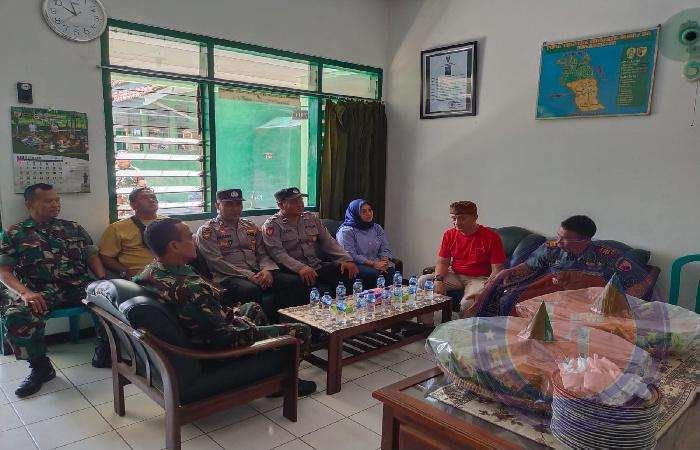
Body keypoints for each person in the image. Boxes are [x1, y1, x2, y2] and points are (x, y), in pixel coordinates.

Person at [133, 218, 316, 395]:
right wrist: (248, 326)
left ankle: (270, 373)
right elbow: (224, 336)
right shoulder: (190, 289)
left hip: (202, 330)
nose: (194, 239)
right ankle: (288, 382)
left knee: (252, 307)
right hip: (214, 349)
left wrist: (239, 319)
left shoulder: (152, 271)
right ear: (174, 246)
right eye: (189, 236)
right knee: (301, 331)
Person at [0, 184, 108, 397]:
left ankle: (105, 351)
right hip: (40, 291)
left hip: (78, 285)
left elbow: (91, 255)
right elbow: (3, 271)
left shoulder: (73, 227)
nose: (56, 204)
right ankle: (40, 368)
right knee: (16, 314)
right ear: (30, 204)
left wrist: (103, 280)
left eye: (57, 200)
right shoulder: (15, 233)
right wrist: (25, 293)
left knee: (112, 299)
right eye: (48, 201)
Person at [473, 215, 657, 317]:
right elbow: (528, 267)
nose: (558, 241)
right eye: (558, 235)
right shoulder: (551, 247)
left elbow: (642, 280)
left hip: (583, 302)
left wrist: (619, 304)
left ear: (585, 240)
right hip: (549, 293)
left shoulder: (608, 256)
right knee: (509, 299)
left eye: (565, 239)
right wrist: (508, 272)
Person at [195, 189, 306, 320]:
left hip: (257, 272)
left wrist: (267, 270)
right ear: (217, 206)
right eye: (229, 204)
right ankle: (258, 326)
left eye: (238, 204)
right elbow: (216, 262)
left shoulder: (250, 226)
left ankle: (285, 322)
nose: (235, 209)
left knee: (293, 282)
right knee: (250, 290)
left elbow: (262, 252)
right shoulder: (208, 230)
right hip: (229, 276)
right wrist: (249, 275)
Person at [262, 188, 359, 292]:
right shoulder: (272, 225)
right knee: (302, 285)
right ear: (281, 205)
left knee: (347, 271)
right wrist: (300, 268)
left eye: (301, 200)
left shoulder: (311, 218)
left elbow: (328, 241)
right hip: (290, 270)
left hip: (315, 265)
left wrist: (346, 259)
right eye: (294, 202)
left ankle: (349, 302)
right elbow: (278, 253)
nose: (300, 204)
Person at [418, 201, 506, 315]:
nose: (457, 223)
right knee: (423, 281)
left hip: (479, 278)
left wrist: (487, 288)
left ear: (475, 217)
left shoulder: (491, 237)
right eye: (453, 218)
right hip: (455, 274)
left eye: (462, 218)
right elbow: (443, 262)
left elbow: (497, 269)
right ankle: (426, 324)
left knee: (467, 304)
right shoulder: (449, 234)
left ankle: (463, 326)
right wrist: (439, 280)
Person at [99, 187, 163, 278]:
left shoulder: (171, 224)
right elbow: (105, 257)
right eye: (144, 198)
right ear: (133, 205)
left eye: (153, 197)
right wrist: (125, 271)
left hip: (170, 273)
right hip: (138, 277)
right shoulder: (117, 228)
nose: (151, 200)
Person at [336, 199, 395, 288]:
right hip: (358, 264)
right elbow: (350, 254)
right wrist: (373, 264)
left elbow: (385, 247)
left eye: (370, 210)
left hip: (377, 262)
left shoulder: (376, 228)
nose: (369, 213)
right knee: (374, 273)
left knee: (391, 271)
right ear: (355, 214)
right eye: (364, 211)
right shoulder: (346, 231)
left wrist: (384, 261)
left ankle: (389, 296)